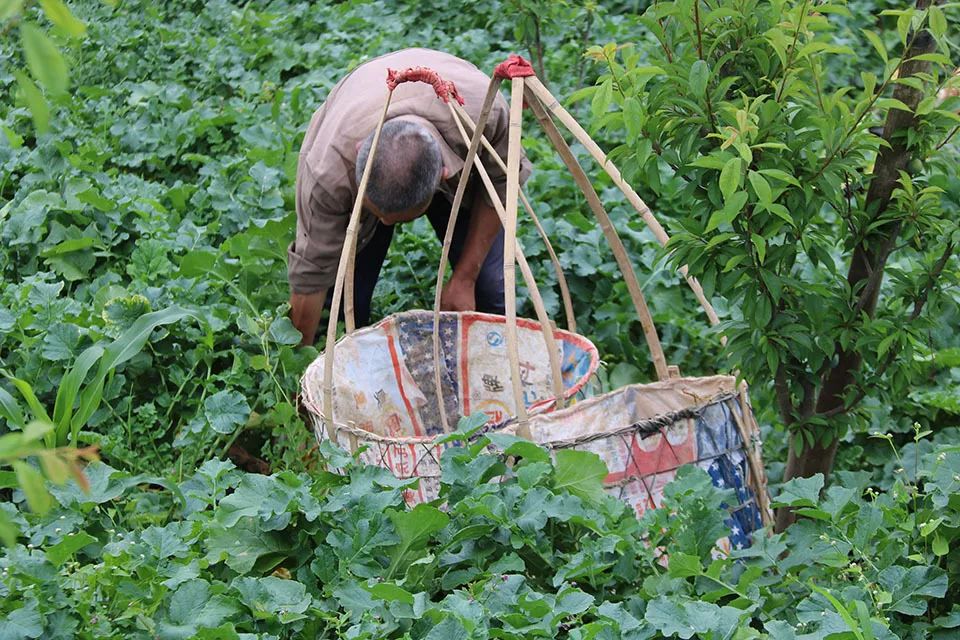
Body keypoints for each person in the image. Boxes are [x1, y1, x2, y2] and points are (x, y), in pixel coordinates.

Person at [287, 48, 531, 344]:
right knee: (341, 302)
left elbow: (501, 184)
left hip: (459, 151)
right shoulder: (327, 171)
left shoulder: (484, 115)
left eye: (395, 219)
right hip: (359, 128)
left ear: (443, 175)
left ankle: (491, 363)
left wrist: (465, 276)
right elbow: (312, 273)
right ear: (358, 151)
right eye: (378, 214)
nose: (386, 225)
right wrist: (300, 358)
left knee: (489, 292)